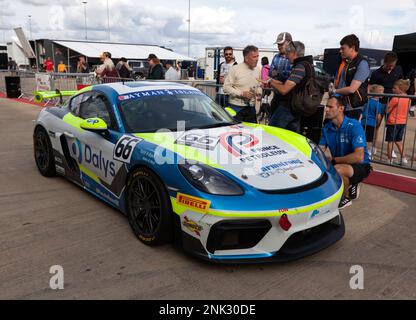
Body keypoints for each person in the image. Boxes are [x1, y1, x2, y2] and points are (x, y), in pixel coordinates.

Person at [319, 96, 372, 209]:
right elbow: (320, 149)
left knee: (337, 169)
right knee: (322, 168)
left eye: (330, 106)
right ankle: (351, 183)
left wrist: (333, 160)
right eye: (326, 107)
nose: (326, 110)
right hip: (341, 163)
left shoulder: (354, 125)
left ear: (341, 108)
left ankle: (344, 199)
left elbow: (359, 157)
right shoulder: (327, 128)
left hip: (361, 165)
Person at [262, 41, 315, 132]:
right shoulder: (307, 64)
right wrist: (270, 79)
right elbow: (287, 84)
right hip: (297, 107)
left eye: (288, 53)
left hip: (289, 107)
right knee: (291, 136)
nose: (286, 56)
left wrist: (270, 81)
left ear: (294, 53)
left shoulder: (300, 67)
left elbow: (284, 89)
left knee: (272, 132)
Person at [330, 34, 370, 120]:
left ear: (352, 48)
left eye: (343, 48)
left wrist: (334, 91)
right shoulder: (346, 62)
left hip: (352, 107)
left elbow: (352, 89)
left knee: (347, 132)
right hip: (341, 104)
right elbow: (340, 82)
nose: (340, 51)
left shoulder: (362, 63)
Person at [223, 45, 261, 123]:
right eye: (254, 57)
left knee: (252, 134)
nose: (257, 59)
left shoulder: (257, 70)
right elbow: (226, 88)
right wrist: (242, 93)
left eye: (258, 56)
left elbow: (259, 86)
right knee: (235, 134)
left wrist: (259, 92)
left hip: (251, 109)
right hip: (236, 109)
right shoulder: (235, 69)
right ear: (246, 58)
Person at [385, 79, 411, 165]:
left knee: (390, 141)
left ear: (400, 89)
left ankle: (389, 159)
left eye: (394, 88)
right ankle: (404, 158)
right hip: (402, 122)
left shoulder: (396, 98)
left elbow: (387, 109)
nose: (393, 89)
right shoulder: (408, 99)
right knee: (399, 141)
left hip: (393, 122)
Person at [268, 32, 293, 116]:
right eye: (278, 44)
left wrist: (278, 73)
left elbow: (292, 77)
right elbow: (270, 73)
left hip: (290, 99)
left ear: (289, 42)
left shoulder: (294, 57)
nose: (279, 46)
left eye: (281, 44)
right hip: (276, 96)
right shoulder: (276, 57)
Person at [361, 85, 384, 158]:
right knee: (369, 140)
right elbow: (378, 116)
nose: (383, 93)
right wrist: (378, 123)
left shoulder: (367, 102)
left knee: (363, 138)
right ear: (378, 93)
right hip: (372, 123)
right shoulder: (378, 104)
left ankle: (362, 151)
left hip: (363, 122)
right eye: (382, 92)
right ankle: (368, 153)